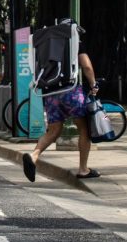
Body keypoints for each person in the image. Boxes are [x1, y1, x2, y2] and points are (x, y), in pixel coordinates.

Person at [22, 18, 100, 182]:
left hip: (50, 94)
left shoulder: (47, 42)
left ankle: (33, 155)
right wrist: (94, 84)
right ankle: (83, 169)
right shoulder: (73, 40)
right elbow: (86, 66)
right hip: (70, 91)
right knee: (84, 129)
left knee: (53, 131)